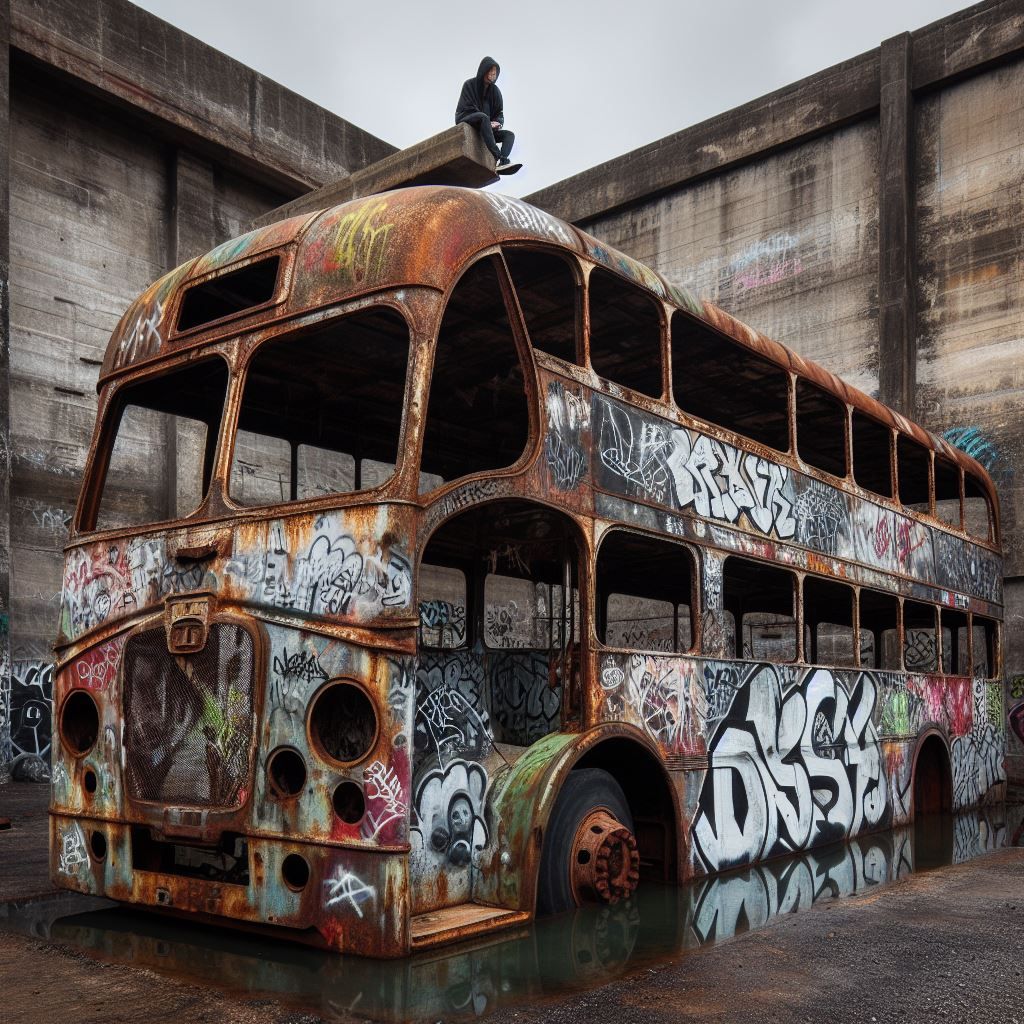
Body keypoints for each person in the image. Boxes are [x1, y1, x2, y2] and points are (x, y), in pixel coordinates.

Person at [456, 57, 520, 174]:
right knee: (483, 117)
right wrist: (486, 121)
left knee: (509, 135)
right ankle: (498, 156)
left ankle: (503, 162)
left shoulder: (495, 92)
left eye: (495, 71)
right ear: (484, 71)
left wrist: (498, 123)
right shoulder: (469, 85)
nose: (493, 73)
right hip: (466, 118)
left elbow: (499, 113)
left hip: (486, 126)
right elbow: (467, 107)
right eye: (491, 70)